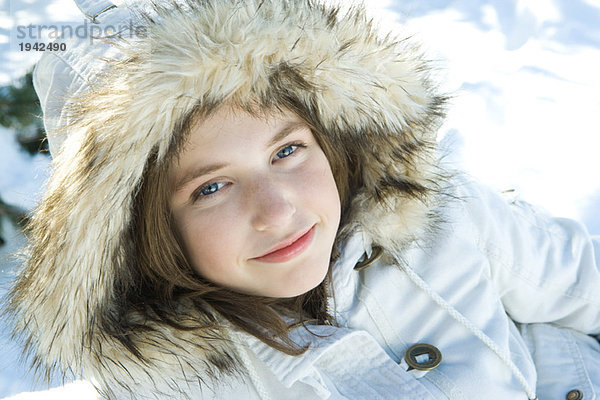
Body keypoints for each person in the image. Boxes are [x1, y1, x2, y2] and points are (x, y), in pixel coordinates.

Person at [4, 0, 599, 399]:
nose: (278, 210)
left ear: (332, 139)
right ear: (143, 233)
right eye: (211, 187)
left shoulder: (447, 222)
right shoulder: (177, 383)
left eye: (287, 151)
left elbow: (583, 286)